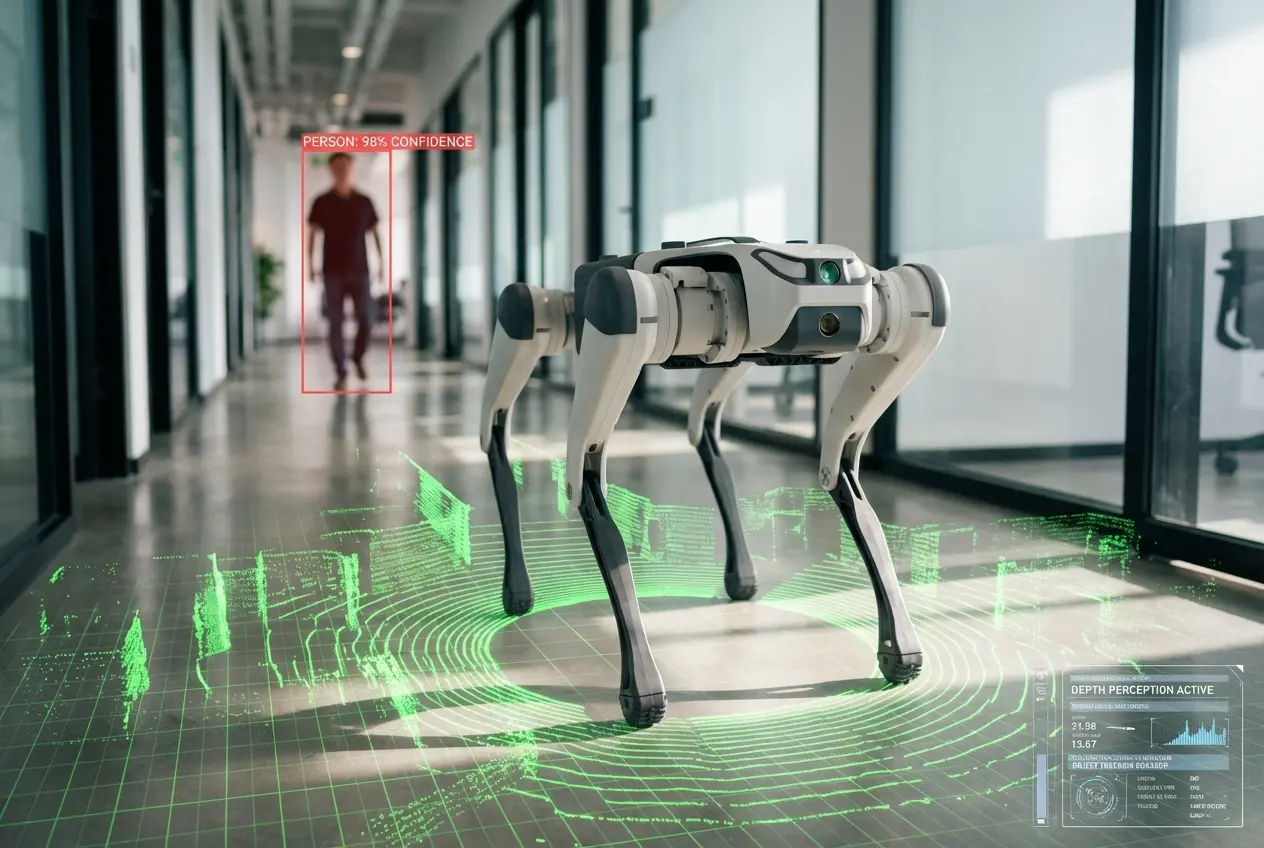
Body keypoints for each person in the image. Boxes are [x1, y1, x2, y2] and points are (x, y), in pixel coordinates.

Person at [306, 152, 384, 390]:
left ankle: (357, 358)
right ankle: (340, 369)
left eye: (345, 165)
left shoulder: (364, 201)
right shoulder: (321, 201)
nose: (342, 169)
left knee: (366, 319)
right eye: (337, 166)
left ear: (351, 168)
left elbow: (376, 233)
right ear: (331, 169)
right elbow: (312, 235)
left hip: (361, 270)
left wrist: (383, 263)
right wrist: (309, 265)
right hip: (332, 272)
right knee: (336, 323)